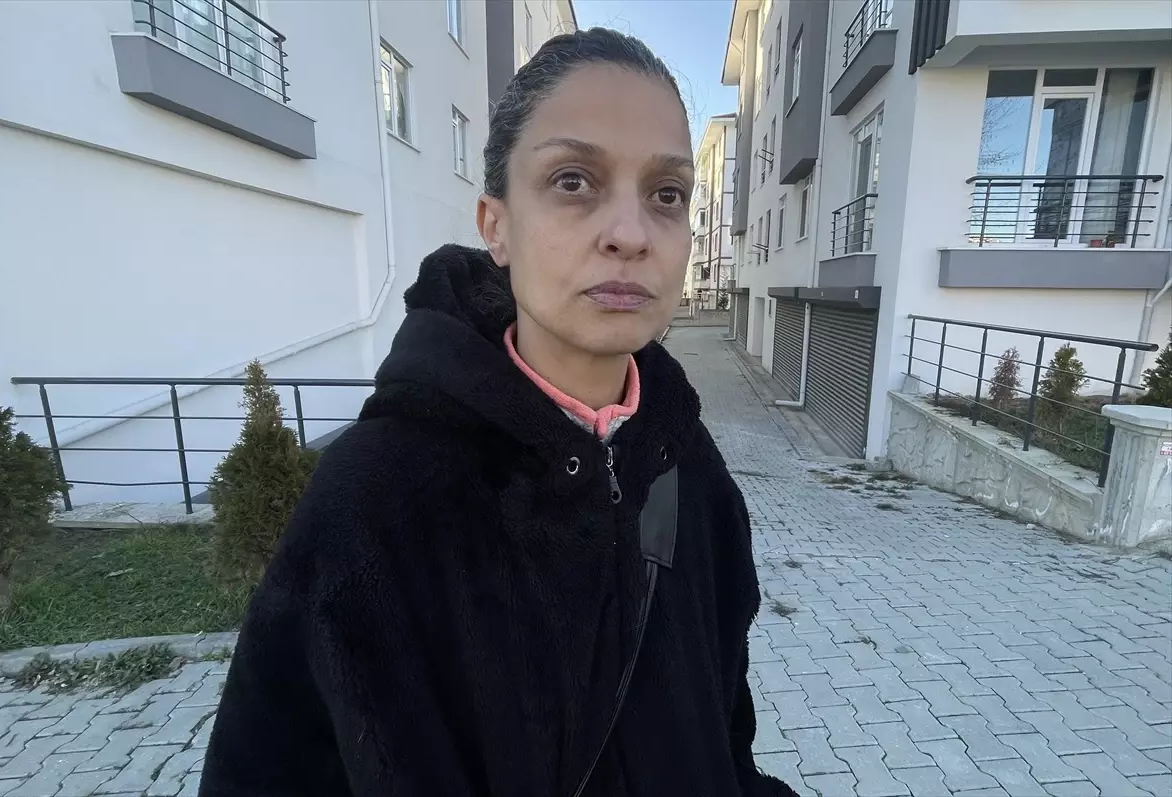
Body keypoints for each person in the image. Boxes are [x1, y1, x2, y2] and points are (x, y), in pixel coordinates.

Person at [200, 27, 797, 797]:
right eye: (574, 180)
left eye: (667, 194)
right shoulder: (372, 504)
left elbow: (726, 745)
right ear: (496, 225)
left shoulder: (694, 473)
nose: (630, 233)